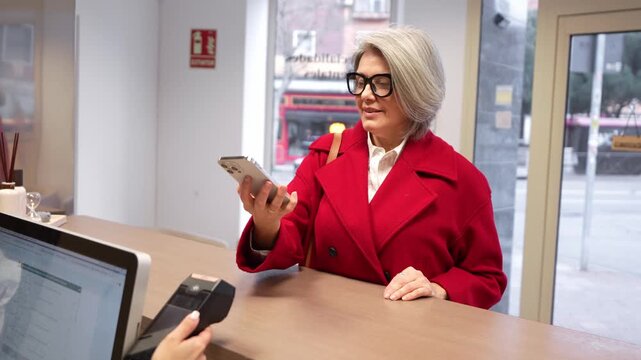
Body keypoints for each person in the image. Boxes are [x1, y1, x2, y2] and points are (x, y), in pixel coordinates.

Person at [236, 26, 507, 309]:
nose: (365, 95)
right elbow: (291, 236)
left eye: (381, 83)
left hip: (407, 340)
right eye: (360, 81)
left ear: (417, 88)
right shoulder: (325, 155)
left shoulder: (463, 180)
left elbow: (487, 277)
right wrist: (267, 225)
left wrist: (439, 288)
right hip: (323, 329)